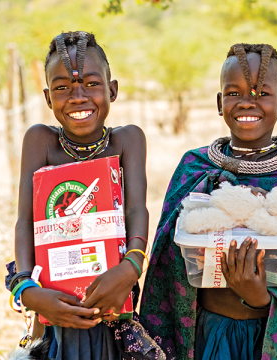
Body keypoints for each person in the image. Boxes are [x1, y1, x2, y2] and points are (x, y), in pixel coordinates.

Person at [140, 43, 277, 360]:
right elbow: (168, 248)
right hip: (208, 334)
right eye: (234, 93)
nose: (247, 103)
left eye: (261, 94)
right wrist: (218, 191)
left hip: (271, 335)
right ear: (220, 102)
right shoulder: (194, 166)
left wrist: (258, 297)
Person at [9, 31, 170, 360]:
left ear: (112, 90)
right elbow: (25, 221)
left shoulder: (127, 141)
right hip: (54, 304)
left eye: (91, 84)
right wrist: (26, 289)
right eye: (62, 87)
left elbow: (137, 210)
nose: (77, 96)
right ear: (47, 97)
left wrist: (131, 266)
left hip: (113, 299)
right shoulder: (40, 142)